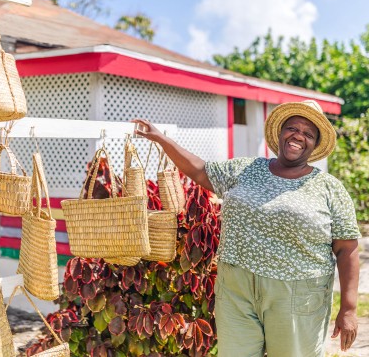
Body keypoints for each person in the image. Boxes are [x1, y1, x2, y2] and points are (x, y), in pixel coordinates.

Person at [133, 100, 360, 357]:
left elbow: (347, 248)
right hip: (236, 288)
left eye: (308, 133)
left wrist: (349, 308)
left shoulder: (329, 188)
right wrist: (162, 140)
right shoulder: (247, 168)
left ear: (315, 144)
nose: (298, 136)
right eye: (292, 128)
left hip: (297, 293)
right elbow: (201, 171)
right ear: (280, 133)